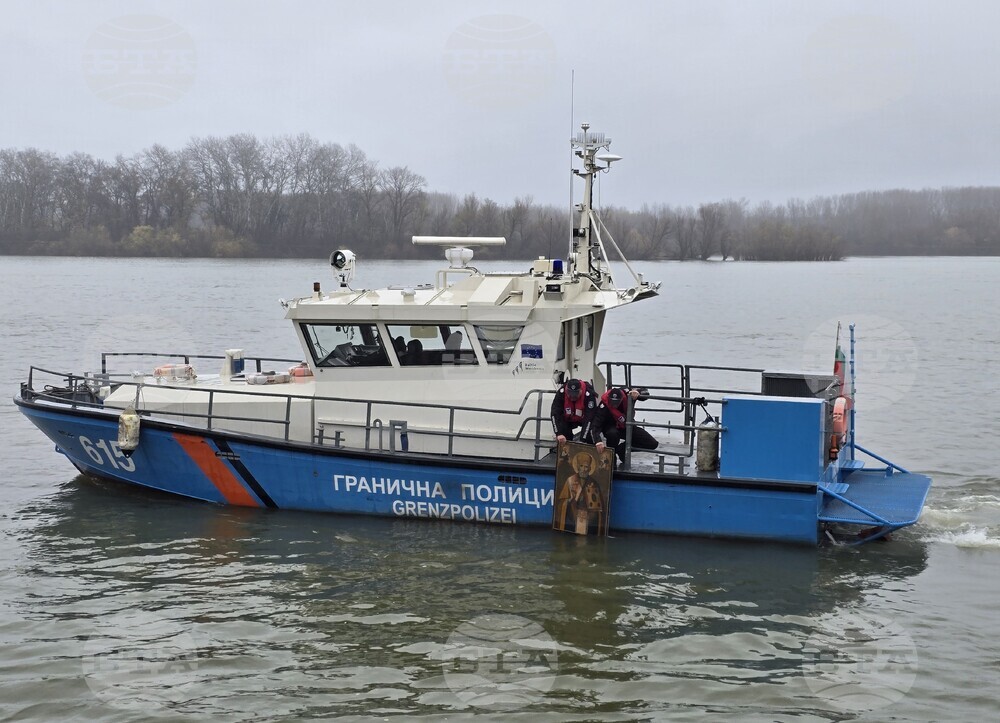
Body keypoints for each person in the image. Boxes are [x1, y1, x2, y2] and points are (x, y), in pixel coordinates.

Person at [588, 386, 658, 463]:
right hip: (611, 428)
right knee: (612, 434)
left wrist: (638, 393)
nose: (614, 405)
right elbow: (595, 424)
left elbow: (645, 393)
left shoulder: (628, 395)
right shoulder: (604, 406)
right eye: (612, 402)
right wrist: (598, 441)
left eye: (616, 402)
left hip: (627, 425)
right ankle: (612, 455)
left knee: (652, 444)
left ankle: (621, 449)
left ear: (621, 399)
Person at [550, 378, 598, 446]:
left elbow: (589, 417)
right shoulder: (561, 393)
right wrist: (559, 433)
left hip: (583, 418)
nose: (572, 396)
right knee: (563, 433)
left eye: (576, 394)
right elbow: (555, 413)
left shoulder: (589, 395)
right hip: (568, 418)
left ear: (581, 391)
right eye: (570, 394)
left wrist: (583, 439)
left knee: (589, 434)